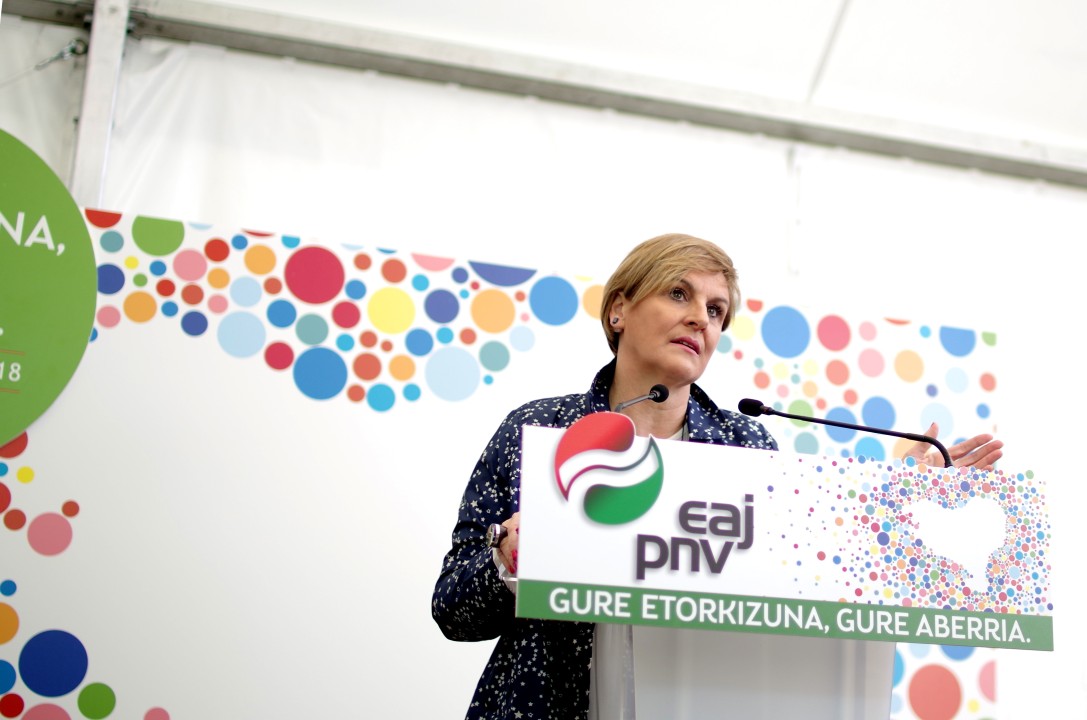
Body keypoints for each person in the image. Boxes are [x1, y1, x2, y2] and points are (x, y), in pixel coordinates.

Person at [431, 233, 1003, 720]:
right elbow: (452, 609)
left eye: (715, 310)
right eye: (679, 293)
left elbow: (797, 586)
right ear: (618, 310)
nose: (698, 318)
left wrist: (899, 502)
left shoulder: (746, 447)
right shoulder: (540, 431)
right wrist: (507, 555)